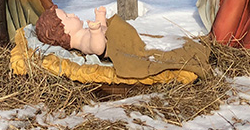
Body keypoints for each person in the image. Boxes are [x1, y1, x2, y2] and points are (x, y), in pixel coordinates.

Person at [34, 5, 210, 78]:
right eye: (67, 16)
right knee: (152, 53)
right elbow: (97, 47)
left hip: (120, 38)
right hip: (118, 45)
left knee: (153, 43)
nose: (72, 14)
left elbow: (104, 30)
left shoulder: (81, 32)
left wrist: (101, 18)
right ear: (64, 31)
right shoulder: (81, 40)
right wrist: (95, 32)